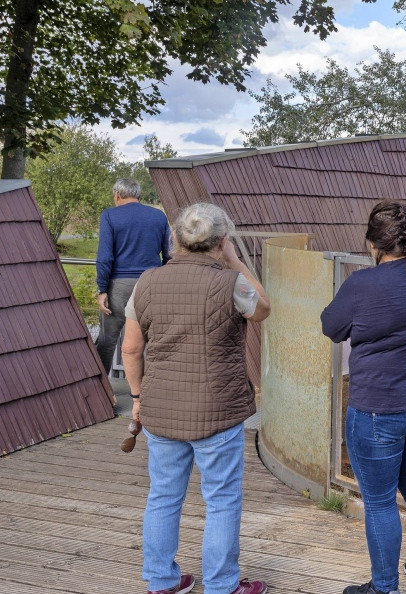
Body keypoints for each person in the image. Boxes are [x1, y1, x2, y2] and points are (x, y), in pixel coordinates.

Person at [121, 202, 271, 594]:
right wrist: (236, 261)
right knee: (221, 500)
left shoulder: (147, 282)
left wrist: (136, 396)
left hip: (161, 409)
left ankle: (161, 581)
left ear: (176, 239)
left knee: (163, 497)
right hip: (217, 412)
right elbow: (264, 310)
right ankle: (222, 585)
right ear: (221, 242)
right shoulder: (231, 283)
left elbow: (132, 350)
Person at [321, 200, 406, 594]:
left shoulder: (362, 284)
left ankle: (384, 588)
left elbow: (331, 325)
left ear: (373, 244)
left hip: (379, 410)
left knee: (379, 502)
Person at [96, 178, 171, 376]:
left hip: (119, 286)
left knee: (107, 338)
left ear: (117, 195)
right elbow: (169, 254)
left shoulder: (110, 216)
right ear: (138, 195)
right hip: (151, 284)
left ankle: (101, 391)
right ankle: (151, 390)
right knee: (152, 338)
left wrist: (102, 289)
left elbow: (105, 256)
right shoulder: (158, 216)